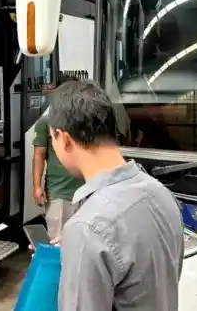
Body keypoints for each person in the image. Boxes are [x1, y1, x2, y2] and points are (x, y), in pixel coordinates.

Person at [48, 80, 183, 311]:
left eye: (52, 140)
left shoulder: (88, 228)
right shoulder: (162, 194)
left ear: (65, 139)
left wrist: (81, 247)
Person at [32, 112, 84, 240]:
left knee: (80, 240)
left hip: (85, 191)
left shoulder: (85, 120)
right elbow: (39, 154)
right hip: (59, 192)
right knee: (57, 240)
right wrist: (37, 186)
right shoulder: (46, 122)